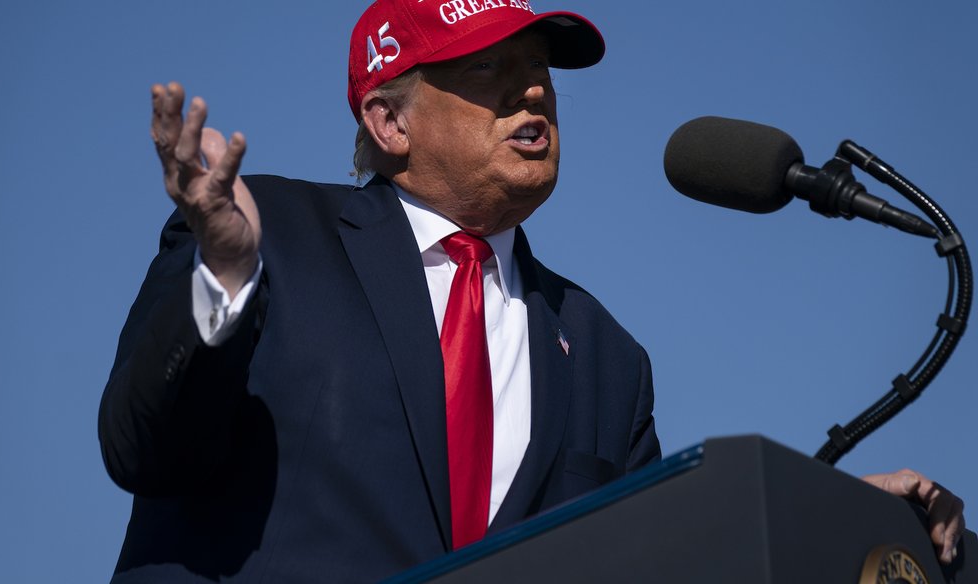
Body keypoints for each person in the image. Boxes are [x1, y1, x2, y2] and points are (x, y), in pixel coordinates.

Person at [99, 1, 964, 582]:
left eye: (539, 67)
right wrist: (225, 278)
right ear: (389, 122)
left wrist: (840, 522)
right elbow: (141, 450)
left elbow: (651, 562)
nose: (534, 88)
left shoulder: (603, 354)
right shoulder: (262, 234)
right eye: (487, 70)